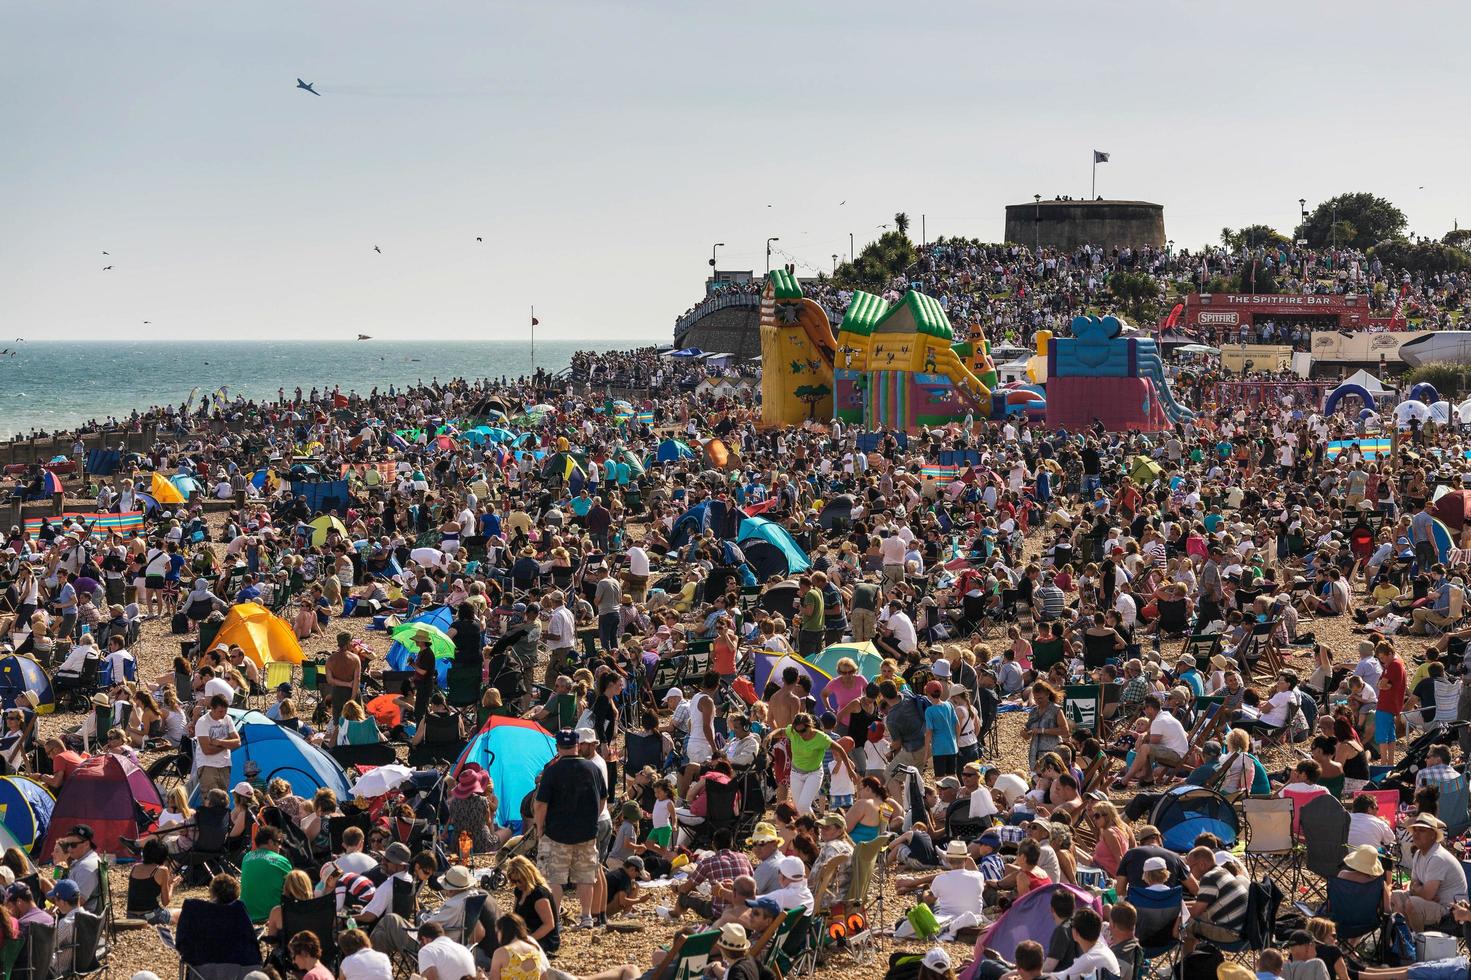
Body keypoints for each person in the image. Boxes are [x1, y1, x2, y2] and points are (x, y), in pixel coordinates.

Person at [534, 729, 608, 929]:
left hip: (556, 832)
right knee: (585, 876)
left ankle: (556, 920)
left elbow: (541, 805)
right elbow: (602, 799)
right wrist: (591, 817)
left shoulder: (552, 771)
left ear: (558, 747)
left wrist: (539, 827)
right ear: (577, 745)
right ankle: (586, 918)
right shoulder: (593, 769)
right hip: (586, 831)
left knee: (554, 877)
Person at [1391, 814, 1468, 930]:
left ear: (1433, 835)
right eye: (1415, 830)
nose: (1416, 834)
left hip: (1451, 912)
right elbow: (1414, 885)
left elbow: (1426, 894)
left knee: (1413, 904)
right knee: (1396, 895)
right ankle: (1406, 938)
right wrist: (1421, 892)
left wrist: (1421, 892)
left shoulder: (1438, 857)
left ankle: (1419, 942)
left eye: (1421, 830)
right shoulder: (1418, 854)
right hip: (1434, 903)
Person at [240, 825, 294, 923]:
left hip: (246, 915)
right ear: (270, 842)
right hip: (271, 916)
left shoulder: (246, 858)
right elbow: (294, 889)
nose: (280, 846)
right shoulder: (281, 860)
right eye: (279, 842)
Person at [193, 693, 240, 794]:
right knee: (210, 798)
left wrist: (220, 742)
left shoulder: (227, 719)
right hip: (208, 766)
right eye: (220, 711)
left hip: (225, 765)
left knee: (223, 799)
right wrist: (227, 743)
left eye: (225, 711)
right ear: (212, 709)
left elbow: (237, 742)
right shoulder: (203, 722)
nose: (223, 714)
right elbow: (207, 750)